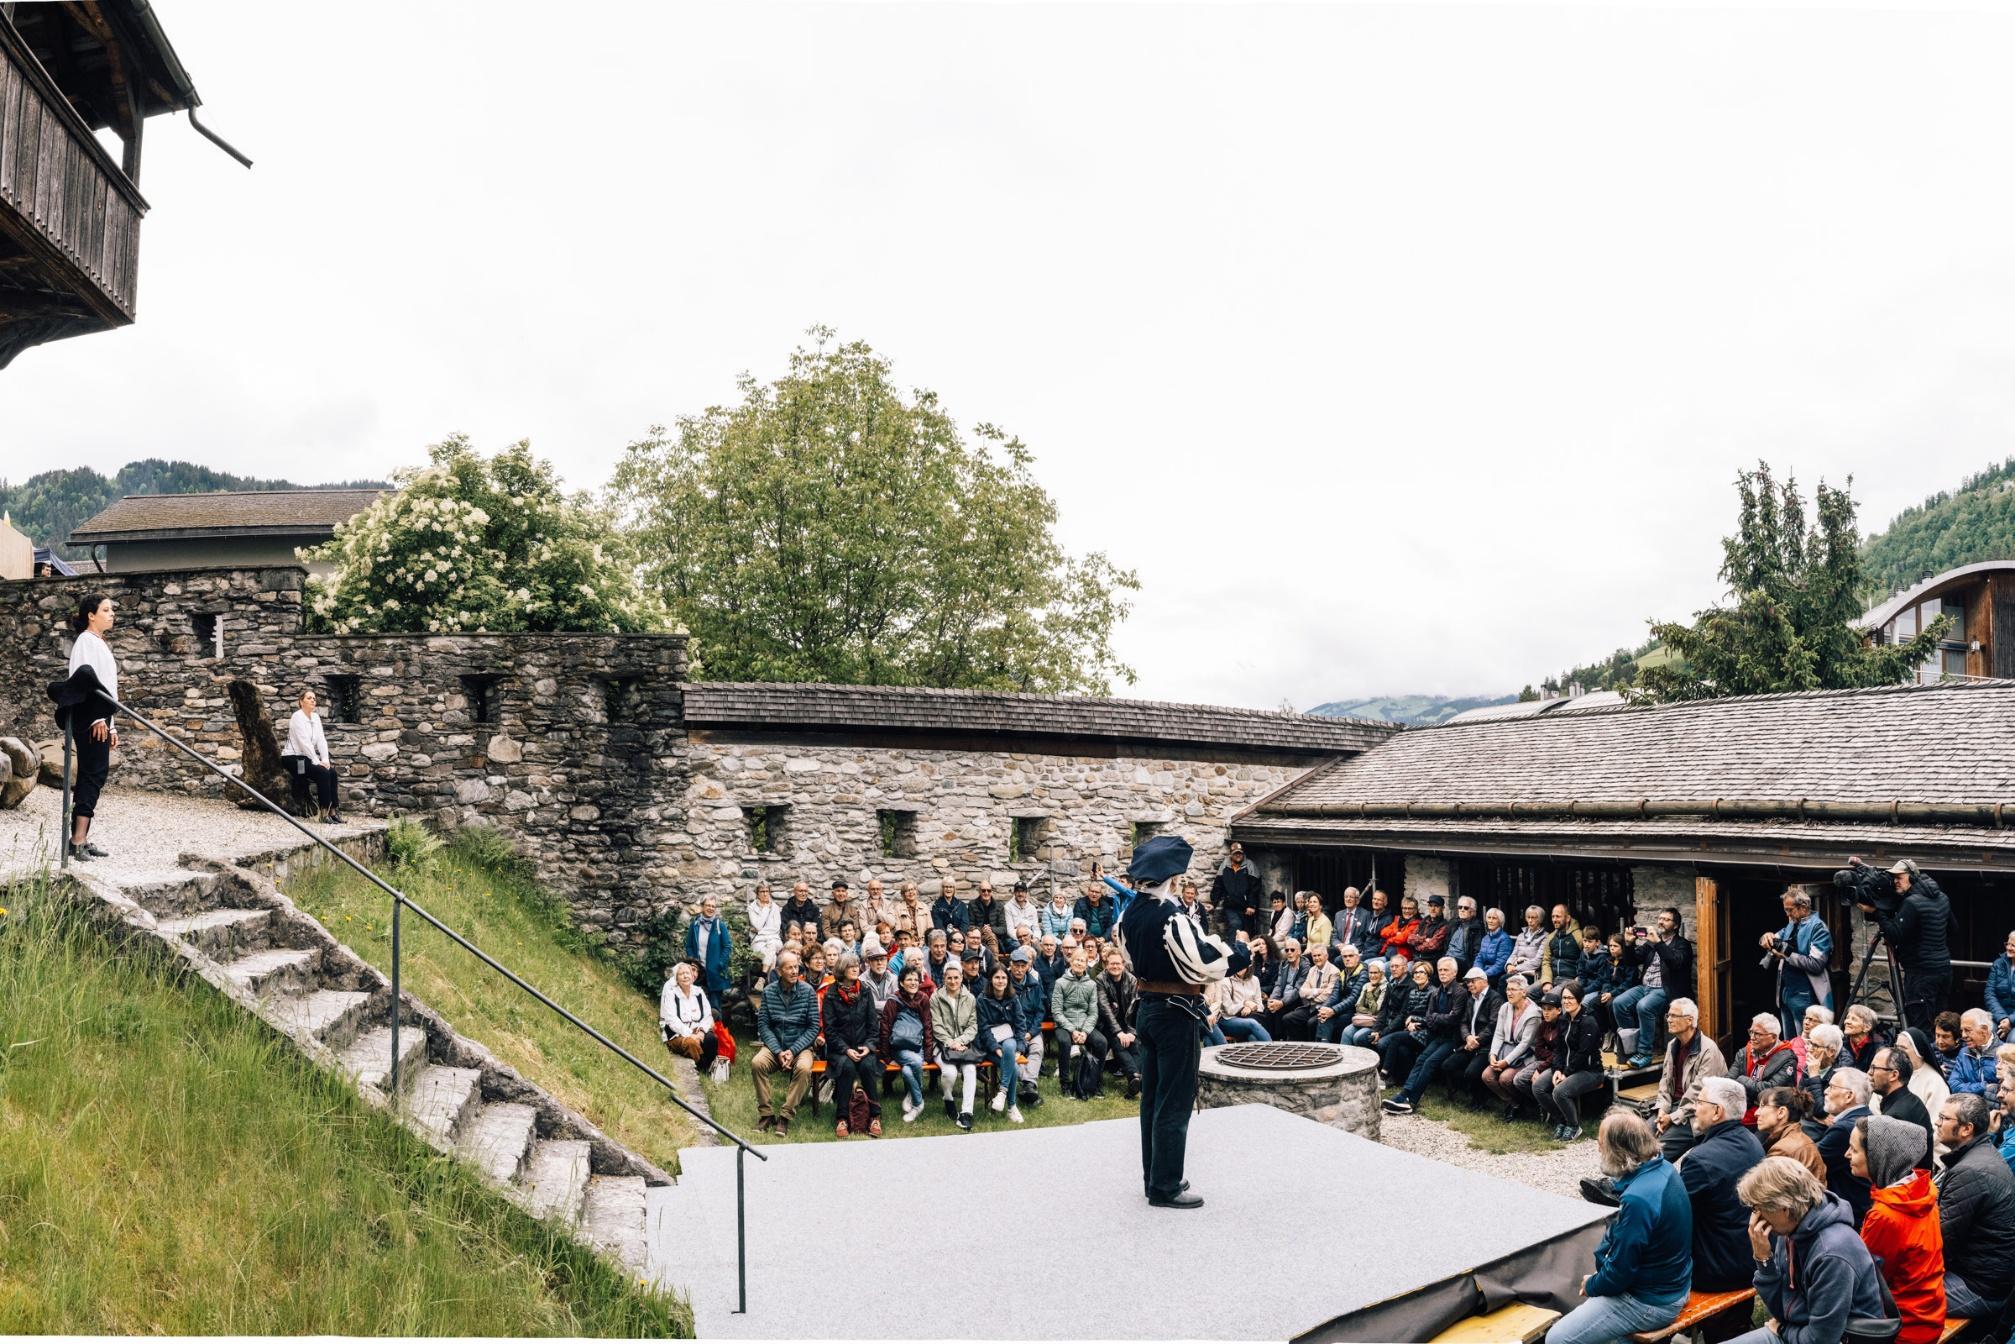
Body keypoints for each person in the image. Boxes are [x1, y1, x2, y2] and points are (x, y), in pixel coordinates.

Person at [1117, 834, 1249, 1209]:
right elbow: (1205, 962)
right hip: (1175, 1013)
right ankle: (1166, 1186)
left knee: (1153, 1099)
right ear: (1171, 879)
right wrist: (1241, 950)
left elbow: (1130, 960)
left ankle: (1155, 1177)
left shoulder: (1128, 916)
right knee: (1174, 1101)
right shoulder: (1172, 918)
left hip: (1147, 1009)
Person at [1543, 1113, 1692, 1344]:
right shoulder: (1664, 1168)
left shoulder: (1638, 1200)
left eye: (1601, 1144)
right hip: (1674, 1285)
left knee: (1557, 1338)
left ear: (1618, 1150)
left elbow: (1619, 1275)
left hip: (1651, 1302)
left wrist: (1592, 1284)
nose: (1598, 1149)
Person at [1728, 1157, 1884, 1344]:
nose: (1756, 1217)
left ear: (1784, 1209)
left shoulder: (1831, 1253)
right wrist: (1764, 1260)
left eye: (1758, 1208)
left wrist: (1783, 1330)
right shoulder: (1790, 1230)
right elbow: (1782, 1310)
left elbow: (1821, 1339)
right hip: (1801, 1330)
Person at [1851, 1114, 1945, 1344]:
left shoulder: (1886, 1215)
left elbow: (1868, 1279)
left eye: (1854, 1150)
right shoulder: (1921, 1190)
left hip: (1903, 1326)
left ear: (1877, 1157)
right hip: (1929, 1313)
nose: (1847, 1154)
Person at [1681, 1076, 1769, 1291]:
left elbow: (1676, 1213)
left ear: (1717, 1111)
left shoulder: (1699, 1159)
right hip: (1749, 1259)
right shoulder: (1753, 1141)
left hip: (1714, 1270)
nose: (1693, 1108)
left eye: (1699, 1102)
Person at [1934, 1092, 2015, 1318]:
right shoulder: (1980, 1154)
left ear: (1966, 1129)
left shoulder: (1970, 1171)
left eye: (1944, 1118)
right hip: (1982, 1274)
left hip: (1978, 1286)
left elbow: (1942, 1242)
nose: (1937, 1122)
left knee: (1891, 1298)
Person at [59, 592, 120, 862]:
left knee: (94, 775)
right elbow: (83, 682)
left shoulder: (99, 643)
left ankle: (80, 838)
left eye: (111, 609)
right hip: (90, 718)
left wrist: (111, 725)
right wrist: (97, 719)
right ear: (91, 615)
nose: (112, 613)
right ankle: (77, 840)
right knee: (92, 775)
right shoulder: (85, 641)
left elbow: (108, 688)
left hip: (101, 718)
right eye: (105, 610)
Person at [1863, 858, 1952, 1032]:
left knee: (1920, 1027)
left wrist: (1878, 912)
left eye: (1899, 877)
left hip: (1921, 973)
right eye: (1893, 878)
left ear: (1912, 877)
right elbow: (1953, 929)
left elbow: (1894, 934)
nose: (1895, 882)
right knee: (1940, 1025)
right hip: (1943, 970)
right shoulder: (1942, 897)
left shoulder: (1912, 903)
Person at [1383, 956, 1465, 1115]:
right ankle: (1403, 1094)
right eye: (1440, 970)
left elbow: (1453, 1019)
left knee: (1429, 1063)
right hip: (1438, 1035)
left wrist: (1436, 1018)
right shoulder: (1438, 992)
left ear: (1454, 973)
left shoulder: (1459, 992)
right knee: (1421, 1060)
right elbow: (1429, 1017)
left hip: (1453, 1039)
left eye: (1446, 970)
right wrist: (1438, 1018)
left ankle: (1412, 1102)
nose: (1442, 973)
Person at [1650, 997, 1725, 1163]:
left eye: (1674, 1015)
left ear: (1689, 1020)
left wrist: (1672, 1118)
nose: (1669, 1019)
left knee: (1656, 1152)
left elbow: (1699, 1094)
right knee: (1639, 1137)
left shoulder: (1708, 1050)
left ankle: (1638, 1178)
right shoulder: (1673, 1045)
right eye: (1668, 1015)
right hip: (1673, 1107)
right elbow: (1665, 1082)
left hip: (1697, 1113)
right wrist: (1662, 1110)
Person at [752, 950, 819, 1134]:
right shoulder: (769, 992)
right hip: (776, 1047)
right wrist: (778, 1051)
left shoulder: (808, 991)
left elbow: (814, 1027)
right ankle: (766, 1114)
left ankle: (785, 1116)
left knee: (804, 1068)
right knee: (757, 1063)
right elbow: (763, 1025)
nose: (794, 971)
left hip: (801, 1047)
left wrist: (793, 1050)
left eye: (796, 967)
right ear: (779, 971)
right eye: (789, 968)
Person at [1617, 909, 1694, 1069]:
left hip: (1667, 990)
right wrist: (1629, 945)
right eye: (1660, 918)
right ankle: (1631, 1047)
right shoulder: (1651, 943)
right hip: (1645, 986)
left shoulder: (1682, 945)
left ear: (1676, 925)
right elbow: (1632, 961)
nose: (1661, 922)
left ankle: (1645, 1052)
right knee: (1619, 1003)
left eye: (1666, 919)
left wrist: (1658, 943)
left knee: (1644, 1006)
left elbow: (1675, 963)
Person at [1534, 981, 1607, 1142]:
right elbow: (1559, 1049)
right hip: (1566, 1068)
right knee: (1538, 1087)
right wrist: (1557, 1069)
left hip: (1590, 1071)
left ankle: (1574, 1126)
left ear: (1579, 999)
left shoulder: (1589, 1022)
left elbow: (1583, 1054)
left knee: (1559, 1091)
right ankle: (1562, 1120)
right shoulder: (1563, 1020)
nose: (1566, 1001)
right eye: (1564, 998)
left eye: (1570, 998)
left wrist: (1566, 1073)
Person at [1760, 887, 1834, 1039]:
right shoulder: (1792, 924)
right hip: (1786, 993)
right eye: (1785, 910)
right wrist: (1766, 936)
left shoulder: (1818, 928)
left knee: (1804, 1041)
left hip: (1804, 994)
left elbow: (1816, 964)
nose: (1787, 914)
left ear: (1803, 907)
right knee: (1789, 1042)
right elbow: (1772, 939)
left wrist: (1786, 956)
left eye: (1790, 910)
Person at [1813, 1067, 1874, 1225]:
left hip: (1848, 1213)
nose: (1825, 1091)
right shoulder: (1867, 1116)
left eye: (1832, 1087)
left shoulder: (1844, 1129)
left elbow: (1810, 1159)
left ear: (1849, 1096)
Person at [1438, 964, 1505, 1108]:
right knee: (1447, 1065)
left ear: (1484, 981)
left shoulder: (1495, 999)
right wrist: (1468, 1037)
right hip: (1470, 1043)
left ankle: (1479, 1100)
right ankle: (1461, 1093)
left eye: (1473, 981)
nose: (1469, 984)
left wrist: (1477, 1041)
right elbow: (1463, 1022)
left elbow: (1493, 1025)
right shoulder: (1471, 999)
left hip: (1486, 1046)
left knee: (1472, 1072)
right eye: (1468, 982)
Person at [879, 963, 935, 1124]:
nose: (913, 983)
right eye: (909, 979)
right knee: (916, 1062)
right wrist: (887, 1057)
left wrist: (928, 1054)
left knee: (907, 1071)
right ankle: (918, 1103)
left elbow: (927, 1026)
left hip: (918, 1045)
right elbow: (885, 1028)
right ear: (902, 983)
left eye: (916, 980)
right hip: (899, 1047)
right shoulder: (894, 1000)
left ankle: (911, 1094)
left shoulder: (923, 999)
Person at [1479, 975, 1541, 1118]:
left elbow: (1525, 1044)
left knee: (1505, 1078)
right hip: (1506, 1050)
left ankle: (1524, 1104)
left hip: (1526, 1054)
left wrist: (1506, 1062)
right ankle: (1514, 1103)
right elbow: (1499, 1034)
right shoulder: (1505, 1007)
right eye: (1508, 989)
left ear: (1523, 992)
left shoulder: (1534, 1013)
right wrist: (1493, 1055)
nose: (1509, 993)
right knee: (1487, 1076)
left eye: (1513, 989)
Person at [1051, 943, 1107, 1100]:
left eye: (1082, 961)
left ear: (1086, 964)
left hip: (1084, 1025)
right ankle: (1065, 1084)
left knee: (1101, 1042)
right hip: (1065, 1025)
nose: (1079, 963)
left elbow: (1093, 1012)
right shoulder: (1060, 983)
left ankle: (1095, 1082)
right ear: (1071, 961)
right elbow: (1056, 1011)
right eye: (1076, 960)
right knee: (1064, 1042)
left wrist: (1085, 1032)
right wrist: (1072, 1030)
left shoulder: (1091, 984)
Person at [930, 961, 981, 1130]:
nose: (953, 981)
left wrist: (960, 1041)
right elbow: (936, 1026)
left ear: (961, 977)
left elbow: (973, 1026)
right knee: (949, 1073)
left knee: (970, 1070)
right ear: (944, 978)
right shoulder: (936, 998)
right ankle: (948, 1098)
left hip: (963, 1046)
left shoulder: (970, 998)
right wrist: (950, 1042)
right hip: (942, 1045)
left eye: (956, 978)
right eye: (949, 978)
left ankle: (966, 1113)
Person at [1375, 957, 1440, 1089]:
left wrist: (1415, 1021)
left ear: (1428, 975)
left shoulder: (1433, 992)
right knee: (1401, 1049)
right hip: (1412, 1029)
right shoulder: (1413, 991)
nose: (1418, 975)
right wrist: (1409, 1022)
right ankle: (1399, 1079)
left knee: (1395, 1038)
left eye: (1422, 972)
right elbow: (1407, 1013)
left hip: (1426, 1031)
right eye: (1416, 972)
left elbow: (1431, 1017)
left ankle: (1384, 1074)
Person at [282, 688, 344, 823]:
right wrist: (316, 761)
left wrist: (325, 759)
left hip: (307, 757)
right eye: (309, 698)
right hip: (293, 758)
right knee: (323, 773)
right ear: (301, 702)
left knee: (332, 772)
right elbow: (304, 742)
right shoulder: (297, 717)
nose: (313, 700)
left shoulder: (316, 717)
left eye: (314, 699)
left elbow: (321, 740)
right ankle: (324, 814)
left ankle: (333, 812)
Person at [976, 965, 1025, 1124]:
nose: (1000, 981)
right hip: (990, 1045)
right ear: (991, 979)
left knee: (1010, 1046)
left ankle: (1002, 1092)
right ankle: (1011, 1107)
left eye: (1004, 977)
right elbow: (983, 1029)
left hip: (1009, 1040)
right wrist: (996, 1048)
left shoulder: (1013, 998)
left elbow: (1020, 1024)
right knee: (1014, 1068)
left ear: (1008, 980)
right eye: (997, 977)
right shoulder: (982, 999)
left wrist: (1020, 1048)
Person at [1735, 1013, 1802, 1125]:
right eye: (1751, 1032)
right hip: (1741, 1110)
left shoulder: (1788, 1059)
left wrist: (1743, 1080)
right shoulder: (1745, 1052)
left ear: (1773, 1037)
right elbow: (1730, 1080)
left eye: (1757, 1034)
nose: (1752, 1037)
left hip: (1770, 1117)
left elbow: (1770, 1091)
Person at [1868, 1046, 1932, 1162]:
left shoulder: (1896, 1117)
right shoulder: (1911, 1100)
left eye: (1874, 1068)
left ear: (1894, 1075)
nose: (1869, 1073)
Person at [1094, 946, 1142, 1097]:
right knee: (1118, 1043)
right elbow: (1105, 1009)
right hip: (1108, 1023)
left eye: (1118, 963)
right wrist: (1119, 1032)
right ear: (1106, 965)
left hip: (1128, 1022)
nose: (1115, 966)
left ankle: (1136, 1080)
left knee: (1135, 1044)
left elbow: (1136, 1007)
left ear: (1123, 964)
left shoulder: (1132, 980)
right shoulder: (1100, 979)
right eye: (1112, 963)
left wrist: (1132, 1032)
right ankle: (1134, 1077)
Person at [1755, 1086, 1827, 1183]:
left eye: (1762, 1106)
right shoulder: (1796, 1138)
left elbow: (1765, 1188)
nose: (1756, 1113)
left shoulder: (1783, 1150)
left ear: (1781, 1112)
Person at [1513, 992, 1565, 1123]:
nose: (1545, 1013)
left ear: (1559, 1010)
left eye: (1550, 1009)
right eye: (1544, 1009)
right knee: (1519, 1080)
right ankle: (1543, 1104)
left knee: (1538, 1083)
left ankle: (1557, 1112)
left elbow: (1560, 1053)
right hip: (1546, 1060)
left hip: (1559, 1064)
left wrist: (1540, 1068)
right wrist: (1549, 1056)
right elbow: (1538, 1049)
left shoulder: (1563, 1025)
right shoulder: (1543, 1025)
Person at [660, 960, 719, 1072]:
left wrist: (701, 1031)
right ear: (676, 979)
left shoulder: (699, 992)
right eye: (681, 974)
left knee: (711, 1039)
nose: (685, 976)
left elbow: (707, 1016)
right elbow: (672, 1020)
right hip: (677, 1034)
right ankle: (702, 1069)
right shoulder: (672, 994)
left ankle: (710, 1067)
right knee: (691, 1043)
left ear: (692, 976)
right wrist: (690, 1034)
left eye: (687, 973)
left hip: (696, 1030)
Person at [1006, 946, 1047, 1106]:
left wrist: (1031, 1033)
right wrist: (1018, 1034)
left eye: (1023, 966)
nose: (1019, 969)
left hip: (1031, 1029)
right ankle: (1027, 1084)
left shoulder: (1034, 985)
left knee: (1037, 1048)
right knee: (1015, 1053)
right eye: (1016, 965)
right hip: (1011, 1030)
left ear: (1028, 966)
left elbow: (1040, 1012)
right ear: (1011, 965)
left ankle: (1028, 1084)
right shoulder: (1004, 984)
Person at [1281, 941, 1340, 1041]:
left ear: (1326, 956)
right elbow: (1301, 992)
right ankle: (1297, 1044)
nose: (1316, 958)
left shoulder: (1334, 972)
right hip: (1310, 1007)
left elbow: (1327, 995)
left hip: (1323, 1008)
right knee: (1288, 1018)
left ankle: (1312, 1047)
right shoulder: (1312, 970)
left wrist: (1310, 995)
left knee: (1311, 1023)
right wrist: (1317, 991)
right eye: (1314, 956)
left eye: (1319, 955)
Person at [682, 897, 733, 1011]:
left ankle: (716, 1023)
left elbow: (727, 946)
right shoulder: (695, 925)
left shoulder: (720, 925)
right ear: (702, 907)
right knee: (696, 1005)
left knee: (715, 1006)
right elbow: (689, 946)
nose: (711, 908)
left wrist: (720, 963)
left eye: (713, 906)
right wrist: (692, 963)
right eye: (708, 905)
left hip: (715, 972)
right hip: (698, 972)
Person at [1205, 957, 1270, 1045]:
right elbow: (1229, 1009)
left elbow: (1260, 1006)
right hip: (1228, 1020)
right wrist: (1243, 1004)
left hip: (1248, 1017)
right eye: (1236, 964)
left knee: (1252, 1037)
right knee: (1252, 1023)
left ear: (1248, 965)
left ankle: (1269, 1052)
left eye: (1242, 964)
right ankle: (1273, 1047)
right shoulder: (1226, 981)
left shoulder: (1255, 980)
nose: (1239, 967)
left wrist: (1250, 1008)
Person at [1313, 944, 1368, 1044]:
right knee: (1323, 1015)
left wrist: (1333, 1010)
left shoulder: (1363, 973)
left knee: (1333, 1020)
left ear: (1357, 957)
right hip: (1343, 1008)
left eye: (1350, 956)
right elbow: (1335, 995)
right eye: (1345, 956)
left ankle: (1324, 1046)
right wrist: (1324, 1008)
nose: (1347, 959)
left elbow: (1354, 998)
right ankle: (1322, 1046)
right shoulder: (1343, 973)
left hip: (1355, 1010)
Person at [1209, 841, 1265, 940]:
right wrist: (1213, 903)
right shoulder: (1225, 866)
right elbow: (1218, 886)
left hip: (1247, 907)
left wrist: (1251, 905)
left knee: (1247, 932)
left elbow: (1255, 888)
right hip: (1231, 906)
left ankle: (1246, 949)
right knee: (1235, 925)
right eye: (1236, 853)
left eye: (1240, 853)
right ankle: (1232, 949)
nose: (1238, 855)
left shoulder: (1250, 865)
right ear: (1231, 854)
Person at [1335, 958, 1387, 1050]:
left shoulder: (1385, 987)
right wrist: (1370, 1011)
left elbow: (1377, 1010)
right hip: (1363, 1019)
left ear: (1382, 974)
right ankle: (1344, 1057)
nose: (1372, 976)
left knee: (1357, 1036)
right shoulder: (1366, 985)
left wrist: (1369, 994)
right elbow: (1358, 1006)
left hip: (1375, 1023)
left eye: (1376, 973)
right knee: (1346, 1032)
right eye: (1370, 973)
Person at [1949, 1008, 2001, 1096]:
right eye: (1962, 1031)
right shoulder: (1963, 1053)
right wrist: (1983, 1087)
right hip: (1968, 1103)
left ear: (1984, 1030)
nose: (1963, 1035)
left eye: (1967, 1030)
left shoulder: (2005, 1053)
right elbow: (1953, 1085)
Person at [1537, 904, 1582, 993]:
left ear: (1568, 918)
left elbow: (1586, 959)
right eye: (1553, 916)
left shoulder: (1579, 936)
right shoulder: (1550, 937)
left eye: (1558, 916)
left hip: (1570, 980)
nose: (1554, 920)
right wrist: (1547, 981)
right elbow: (1546, 961)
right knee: (1527, 992)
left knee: (1551, 996)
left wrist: (1579, 977)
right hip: (1552, 978)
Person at [1800, 1023, 1843, 1115]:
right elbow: (1799, 1101)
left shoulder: (1839, 1076)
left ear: (1831, 1052)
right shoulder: (1810, 1065)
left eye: (1815, 1045)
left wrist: (1814, 1076)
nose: (1809, 1049)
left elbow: (1820, 1111)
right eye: (1810, 1043)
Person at [1378, 894, 1422, 970]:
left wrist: (1388, 940)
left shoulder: (1416, 923)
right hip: (1388, 956)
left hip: (1402, 959)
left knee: (1380, 968)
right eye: (1404, 908)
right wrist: (1395, 932)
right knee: (1368, 962)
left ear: (1415, 910)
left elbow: (1401, 939)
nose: (1407, 911)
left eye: (1410, 908)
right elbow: (1383, 932)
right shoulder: (1398, 920)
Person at [1987, 928, 2015, 1045]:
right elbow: (1990, 994)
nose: (2008, 947)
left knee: (2013, 1040)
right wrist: (2003, 1018)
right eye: (2007, 943)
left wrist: (2011, 1020)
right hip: (1998, 1016)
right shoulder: (1998, 964)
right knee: (1984, 1033)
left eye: (2013, 945)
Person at [746, 883, 783, 970]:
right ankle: (767, 977)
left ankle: (763, 975)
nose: (765, 894)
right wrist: (766, 908)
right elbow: (758, 925)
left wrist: (759, 931)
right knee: (772, 957)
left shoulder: (775, 907)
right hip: (758, 941)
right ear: (757, 894)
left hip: (774, 939)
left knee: (772, 945)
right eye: (762, 891)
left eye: (767, 891)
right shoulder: (752, 908)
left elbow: (776, 928)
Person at [1507, 905, 1547, 986]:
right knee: (1503, 979)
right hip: (1515, 970)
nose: (1530, 920)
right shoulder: (1520, 936)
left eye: (1533, 918)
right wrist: (1509, 965)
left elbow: (1537, 962)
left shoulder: (1545, 937)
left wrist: (1516, 968)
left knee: (1504, 980)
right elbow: (1513, 954)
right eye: (1528, 917)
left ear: (1540, 919)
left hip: (1531, 973)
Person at [1446, 896, 1484, 976]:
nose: (1462, 910)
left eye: (1466, 908)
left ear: (1472, 911)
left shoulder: (1476, 927)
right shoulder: (1453, 923)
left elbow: (1477, 950)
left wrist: (1473, 969)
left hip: (1463, 961)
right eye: (1460, 907)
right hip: (1447, 957)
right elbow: (1445, 944)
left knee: (1446, 967)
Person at [1475, 907, 1512, 988]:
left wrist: (1483, 975)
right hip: (1483, 972)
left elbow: (1500, 964)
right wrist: (1477, 971)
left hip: (1496, 975)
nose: (1490, 921)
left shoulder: (1504, 939)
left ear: (1500, 922)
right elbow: (1479, 958)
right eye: (1489, 918)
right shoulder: (1485, 938)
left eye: (1494, 918)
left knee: (1477, 985)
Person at [1303, 894, 1332, 961]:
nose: (1312, 904)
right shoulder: (1310, 919)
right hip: (1310, 953)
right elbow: (1309, 941)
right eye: (1310, 902)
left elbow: (1325, 944)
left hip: (1320, 954)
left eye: (1315, 902)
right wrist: (1307, 950)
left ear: (1320, 906)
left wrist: (1311, 952)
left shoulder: (1325, 921)